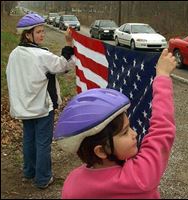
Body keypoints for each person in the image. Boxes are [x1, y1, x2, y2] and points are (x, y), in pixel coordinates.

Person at [53, 48, 177, 198]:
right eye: (125, 132)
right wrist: (162, 76)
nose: (135, 134)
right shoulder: (139, 177)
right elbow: (162, 131)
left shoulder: (72, 184)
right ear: (101, 151)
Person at [6, 13, 75, 189]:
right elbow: (64, 65)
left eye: (43, 31)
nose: (42, 35)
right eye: (38, 32)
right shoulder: (40, 55)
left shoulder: (14, 54)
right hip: (42, 107)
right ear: (28, 35)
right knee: (42, 143)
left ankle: (29, 171)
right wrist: (68, 44)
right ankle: (43, 178)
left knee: (29, 139)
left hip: (24, 107)